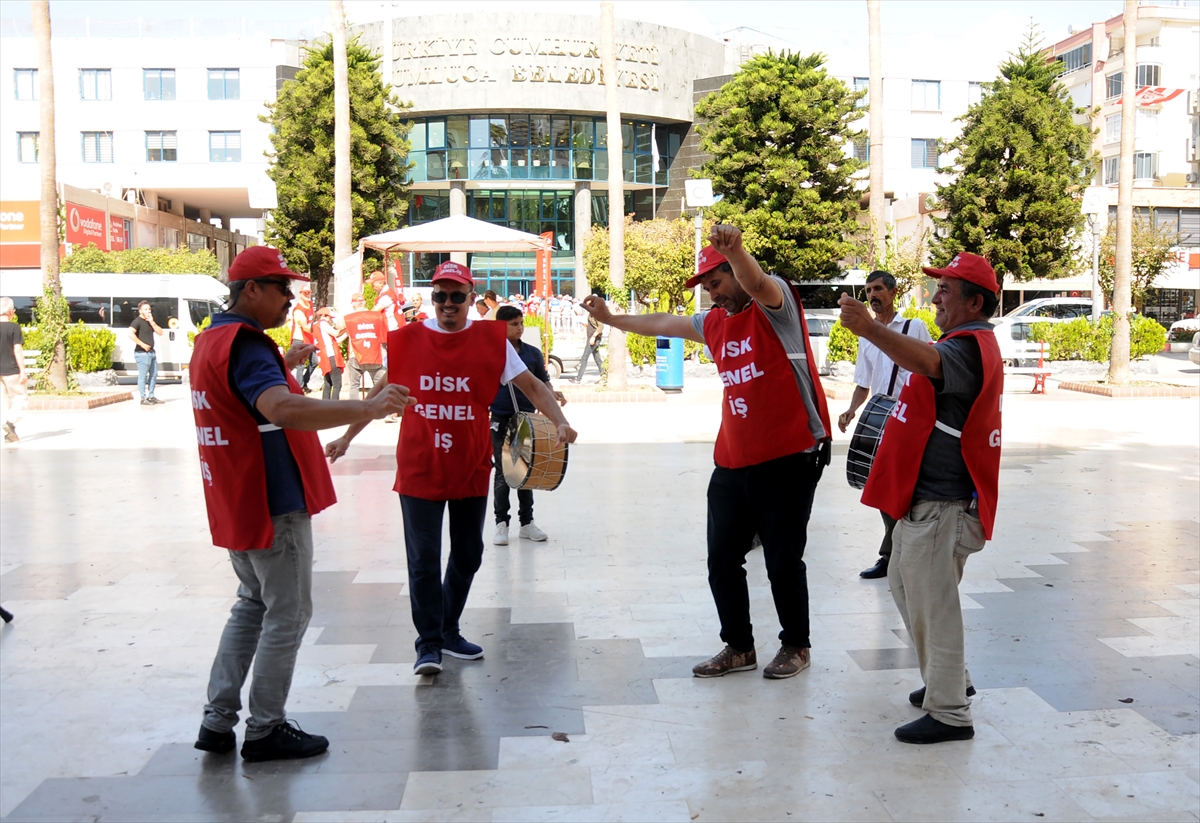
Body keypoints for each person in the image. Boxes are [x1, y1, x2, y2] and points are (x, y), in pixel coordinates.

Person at [189, 245, 412, 762]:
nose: (290, 298)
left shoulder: (214, 340)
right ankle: (266, 728)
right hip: (271, 501)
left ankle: (217, 720)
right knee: (287, 613)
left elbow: (243, 400)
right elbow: (281, 408)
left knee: (251, 605)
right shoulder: (247, 345)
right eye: (280, 287)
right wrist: (369, 405)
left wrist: (281, 363)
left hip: (237, 498)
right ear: (251, 291)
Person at [581, 225, 831, 681]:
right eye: (708, 288)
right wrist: (613, 319)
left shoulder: (778, 309)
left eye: (716, 283)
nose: (713, 295)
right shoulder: (713, 323)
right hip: (734, 461)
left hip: (788, 457)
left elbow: (757, 283)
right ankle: (738, 646)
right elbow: (661, 323)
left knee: (781, 560)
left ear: (733, 273)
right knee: (721, 560)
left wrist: (736, 251)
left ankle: (796, 645)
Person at [326, 261, 577, 676]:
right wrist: (348, 437)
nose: (447, 303)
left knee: (468, 553)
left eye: (456, 296)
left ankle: (448, 628)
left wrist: (560, 422)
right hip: (420, 467)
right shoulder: (408, 341)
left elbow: (533, 385)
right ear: (433, 298)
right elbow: (378, 392)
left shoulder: (492, 342)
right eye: (440, 295)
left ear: (469, 298)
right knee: (423, 559)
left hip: (470, 467)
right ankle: (428, 644)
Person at [838, 252, 1003, 745]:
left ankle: (950, 711)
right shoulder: (967, 340)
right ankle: (950, 678)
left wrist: (869, 329)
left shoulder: (966, 346)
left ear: (975, 302)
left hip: (943, 505)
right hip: (929, 502)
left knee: (934, 604)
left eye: (946, 291)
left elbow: (928, 362)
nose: (936, 298)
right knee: (905, 584)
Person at [836, 271, 932, 580]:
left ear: (892, 293)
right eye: (868, 291)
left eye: (878, 289)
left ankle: (896, 554)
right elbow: (863, 383)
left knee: (904, 488)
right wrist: (851, 410)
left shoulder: (913, 327)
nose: (873, 295)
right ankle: (892, 554)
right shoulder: (867, 337)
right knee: (882, 488)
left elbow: (930, 367)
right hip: (880, 417)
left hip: (909, 417)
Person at [489, 305, 567, 546]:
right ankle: (501, 524)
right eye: (514, 324)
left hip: (526, 420)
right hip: (500, 419)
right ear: (501, 326)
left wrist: (553, 394)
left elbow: (542, 382)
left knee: (526, 470)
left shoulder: (532, 353)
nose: (520, 328)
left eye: (521, 323)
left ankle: (527, 523)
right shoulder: (492, 353)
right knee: (503, 473)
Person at [344, 293, 387, 399]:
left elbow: (338, 326)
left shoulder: (349, 318)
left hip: (357, 356)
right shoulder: (377, 316)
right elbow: (385, 334)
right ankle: (381, 408)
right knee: (380, 385)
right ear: (364, 302)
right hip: (375, 355)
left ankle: (355, 410)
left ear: (354, 304)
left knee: (354, 385)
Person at [1, 297, 28, 443]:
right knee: (20, 398)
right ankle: (10, 423)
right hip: (11, 371)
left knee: (3, 402)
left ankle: (10, 434)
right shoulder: (14, 327)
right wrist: (22, 370)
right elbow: (17, 349)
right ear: (12, 312)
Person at [129, 301, 164, 405]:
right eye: (145, 309)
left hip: (151, 353)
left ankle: (151, 396)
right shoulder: (137, 321)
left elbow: (160, 332)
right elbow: (130, 333)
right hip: (142, 353)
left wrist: (152, 322)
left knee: (154, 375)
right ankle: (143, 398)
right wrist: (141, 344)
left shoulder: (150, 321)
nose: (148, 311)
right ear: (140, 311)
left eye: (149, 309)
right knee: (143, 376)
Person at [571, 293, 605, 383]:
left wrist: (593, 337)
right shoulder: (592, 314)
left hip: (594, 338)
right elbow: (594, 325)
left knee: (584, 358)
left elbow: (601, 326)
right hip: (591, 337)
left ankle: (578, 379)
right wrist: (587, 325)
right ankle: (604, 377)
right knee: (597, 359)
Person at [289, 284, 316, 392]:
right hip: (300, 339)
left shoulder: (310, 305)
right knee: (300, 364)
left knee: (315, 362)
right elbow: (305, 327)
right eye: (305, 293)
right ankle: (299, 387)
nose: (307, 295)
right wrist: (317, 330)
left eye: (308, 292)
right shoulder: (298, 310)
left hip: (309, 339)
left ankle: (304, 382)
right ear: (300, 294)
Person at [313, 307, 344, 400]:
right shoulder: (323, 324)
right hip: (331, 356)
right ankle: (334, 408)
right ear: (324, 316)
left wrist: (347, 334)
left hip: (323, 357)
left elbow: (336, 341)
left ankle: (324, 407)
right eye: (329, 317)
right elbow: (336, 333)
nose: (330, 320)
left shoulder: (315, 326)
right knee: (337, 384)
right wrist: (347, 328)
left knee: (328, 384)